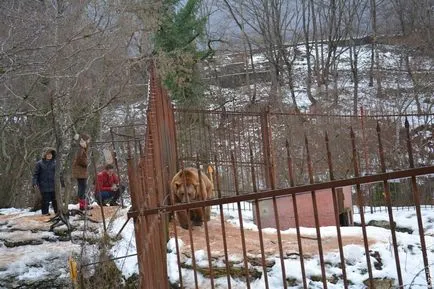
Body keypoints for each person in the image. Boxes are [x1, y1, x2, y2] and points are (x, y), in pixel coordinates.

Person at [32, 147, 58, 216]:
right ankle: (45, 213)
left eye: (51, 154)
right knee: (45, 201)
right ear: (45, 155)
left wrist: (62, 183)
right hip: (44, 185)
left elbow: (59, 174)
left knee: (55, 200)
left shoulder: (55, 163)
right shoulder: (39, 163)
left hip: (54, 185)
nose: (49, 155)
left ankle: (57, 213)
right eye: (48, 154)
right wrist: (34, 183)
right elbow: (35, 174)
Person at [72, 133, 91, 210]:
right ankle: (82, 205)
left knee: (83, 187)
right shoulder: (80, 149)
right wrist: (86, 163)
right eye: (87, 141)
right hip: (80, 172)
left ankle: (83, 204)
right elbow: (80, 159)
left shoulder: (82, 149)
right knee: (82, 188)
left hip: (82, 171)